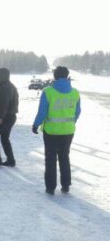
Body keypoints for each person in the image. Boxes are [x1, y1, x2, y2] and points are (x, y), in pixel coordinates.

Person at [32, 66, 81, 195]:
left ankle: (50, 187)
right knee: (64, 157)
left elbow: (42, 112)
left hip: (51, 132)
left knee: (50, 158)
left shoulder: (48, 92)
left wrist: (36, 124)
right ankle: (66, 185)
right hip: (68, 131)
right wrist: (71, 122)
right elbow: (77, 112)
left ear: (55, 76)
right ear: (67, 76)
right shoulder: (75, 93)